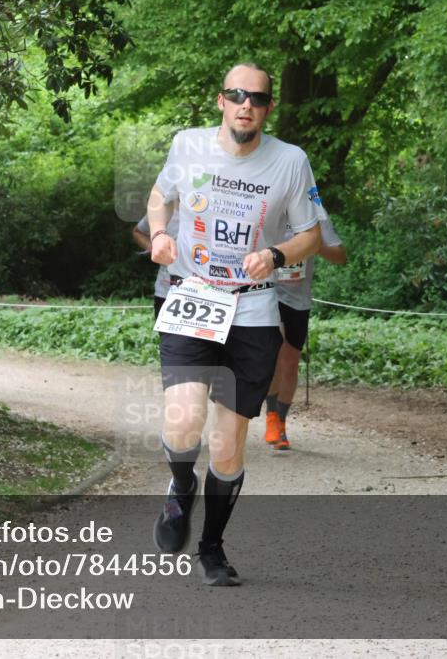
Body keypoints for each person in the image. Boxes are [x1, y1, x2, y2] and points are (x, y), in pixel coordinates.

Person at [145, 63, 325, 586]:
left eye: (258, 98)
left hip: (251, 309)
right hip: (192, 298)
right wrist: (159, 234)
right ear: (221, 100)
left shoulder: (291, 162)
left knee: (226, 447)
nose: (247, 104)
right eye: (237, 94)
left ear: (269, 108)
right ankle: (181, 486)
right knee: (182, 422)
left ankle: (212, 548)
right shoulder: (187, 144)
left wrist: (275, 253)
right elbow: (161, 198)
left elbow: (311, 235)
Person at [263, 215, 346, 450]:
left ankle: (280, 420)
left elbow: (341, 256)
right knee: (276, 352)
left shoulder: (315, 216)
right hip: (267, 292)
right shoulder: (269, 203)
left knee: (290, 362)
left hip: (298, 299)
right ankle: (270, 414)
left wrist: (313, 243)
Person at [132, 205, 179, 318]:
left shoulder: (214, 209)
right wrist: (157, 250)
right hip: (167, 291)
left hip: (212, 293)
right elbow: (138, 232)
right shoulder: (165, 209)